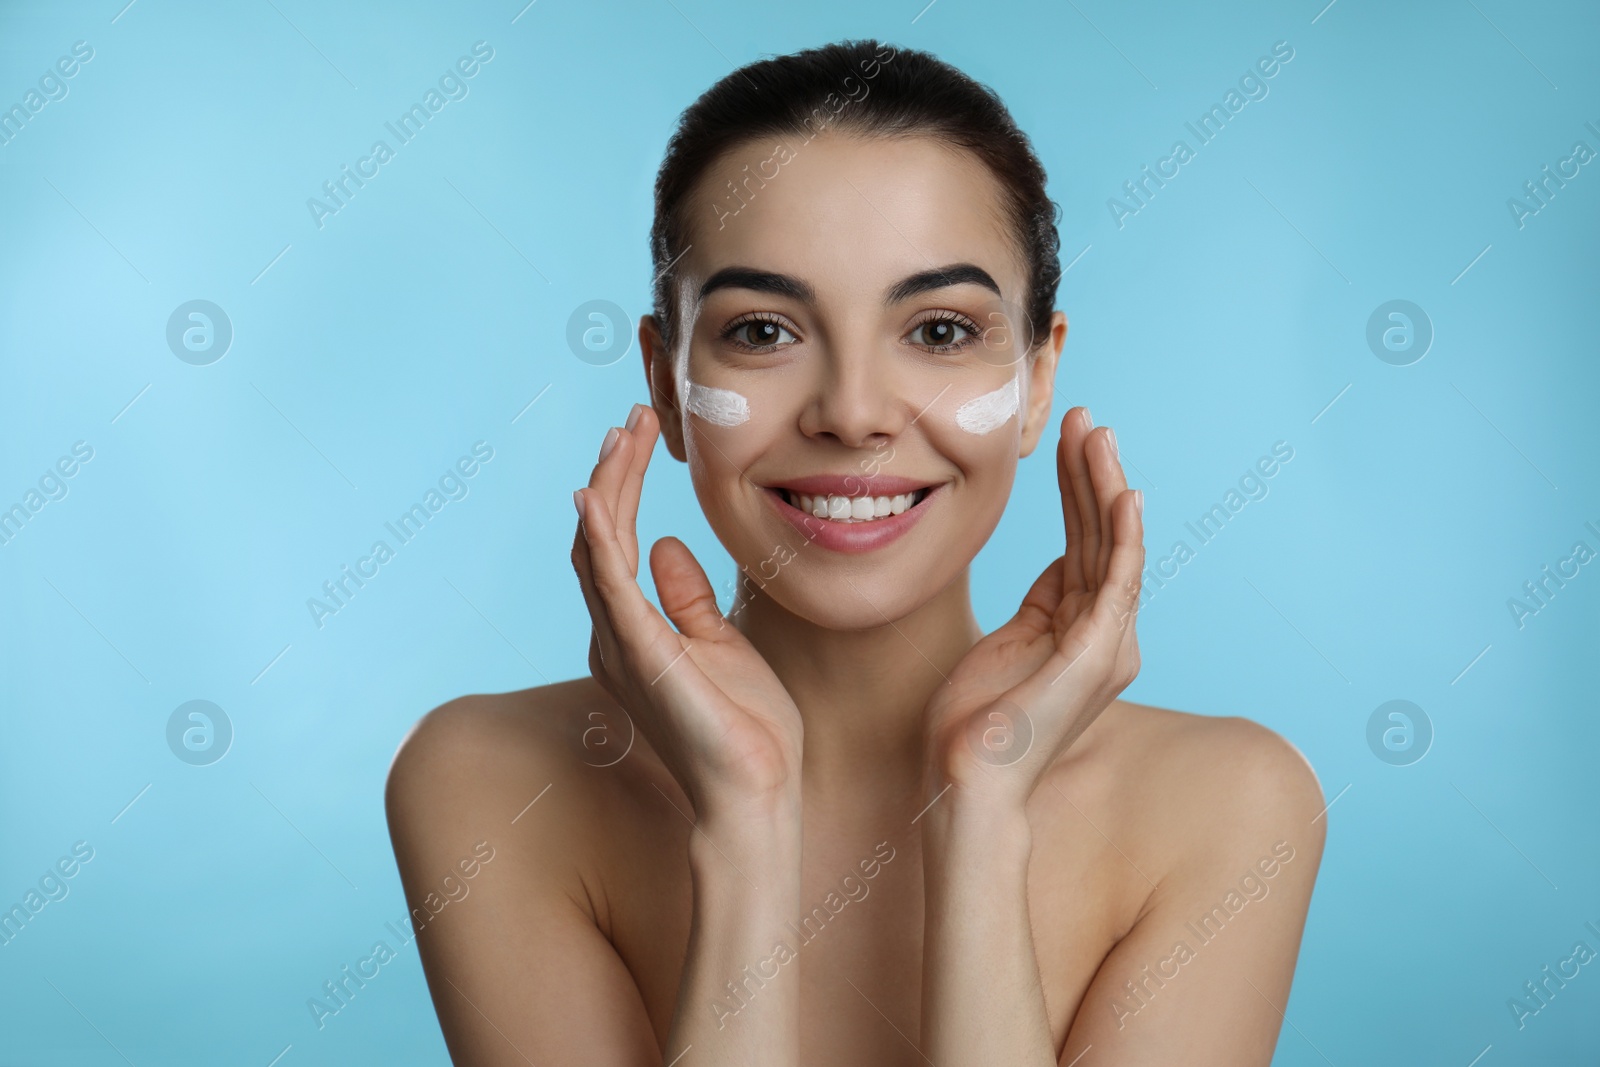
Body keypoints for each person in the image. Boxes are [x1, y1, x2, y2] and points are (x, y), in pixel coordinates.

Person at [385, 37, 1325, 1066]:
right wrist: (743, 827)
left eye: (936, 332)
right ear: (664, 380)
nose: (854, 413)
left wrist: (983, 809)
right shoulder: (488, 783)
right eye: (761, 330)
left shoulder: (1229, 804)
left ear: (1038, 377)